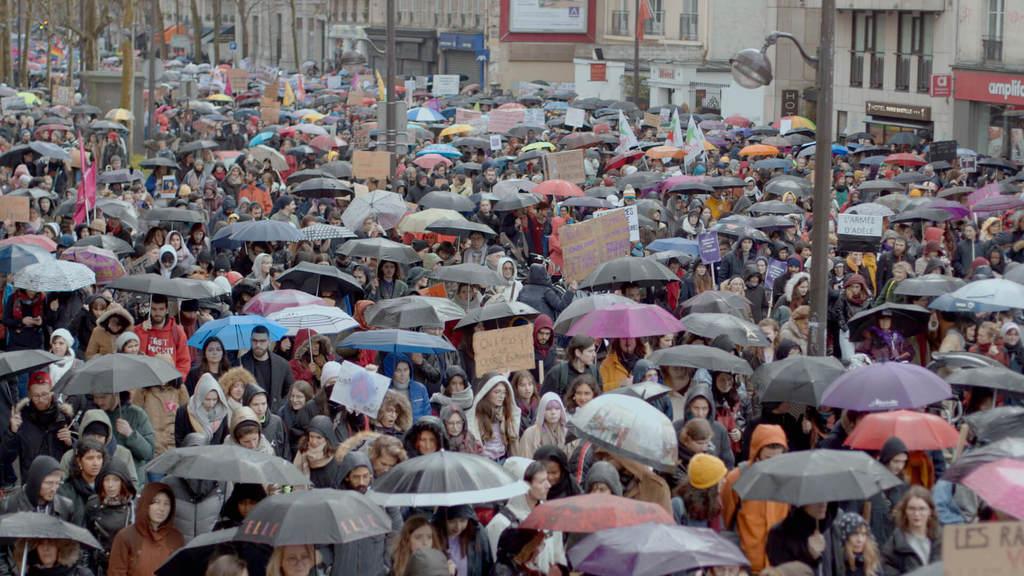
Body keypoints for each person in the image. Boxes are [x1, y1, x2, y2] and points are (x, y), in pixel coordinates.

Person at [722, 424, 790, 573]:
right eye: (768, 458)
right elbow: (725, 521)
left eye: (778, 459)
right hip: (746, 566)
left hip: (779, 566)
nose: (773, 464)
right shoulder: (736, 479)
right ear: (756, 454)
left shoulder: (789, 480)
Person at [1, 372, 75, 482]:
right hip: (32, 484)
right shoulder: (21, 419)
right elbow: (5, 457)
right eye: (36, 396)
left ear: (51, 392)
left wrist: (71, 442)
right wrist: (12, 433)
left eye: (44, 394)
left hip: (60, 483)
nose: (40, 400)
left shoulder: (64, 417)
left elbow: (81, 451)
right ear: (29, 395)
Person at [107, 483, 185, 576]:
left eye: (166, 504)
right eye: (156, 502)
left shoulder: (176, 537)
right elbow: (116, 573)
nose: (161, 508)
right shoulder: (126, 536)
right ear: (145, 503)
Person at [84, 460, 137, 576]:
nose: (110, 485)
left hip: (127, 566)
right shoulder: (93, 505)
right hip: (101, 566)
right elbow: (87, 540)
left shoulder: (133, 507)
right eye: (107, 480)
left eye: (115, 480)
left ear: (123, 482)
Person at [881, 487, 942, 575]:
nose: (916, 514)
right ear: (905, 511)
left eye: (922, 509)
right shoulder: (895, 543)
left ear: (930, 511)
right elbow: (886, 568)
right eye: (912, 509)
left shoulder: (941, 539)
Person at [766, 502, 837, 574]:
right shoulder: (779, 535)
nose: (823, 503)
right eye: (815, 499)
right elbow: (783, 572)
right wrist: (810, 557)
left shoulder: (827, 528)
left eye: (825, 497)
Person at [238, 326, 294, 412]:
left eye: (262, 341)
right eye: (255, 341)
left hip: (275, 415)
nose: (258, 345)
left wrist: (280, 407)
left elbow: (290, 390)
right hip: (250, 414)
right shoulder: (241, 363)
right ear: (250, 341)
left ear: (269, 341)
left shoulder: (282, 364)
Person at [466, 373, 521, 461]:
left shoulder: (506, 413)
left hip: (504, 460)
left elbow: (512, 440)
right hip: (485, 462)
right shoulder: (476, 416)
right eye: (497, 392)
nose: (501, 396)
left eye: (504, 393)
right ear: (486, 392)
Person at [134, 294, 191, 378]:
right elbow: (136, 358)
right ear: (149, 309)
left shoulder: (177, 331)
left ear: (167, 310)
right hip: (146, 382)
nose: (157, 313)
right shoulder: (139, 329)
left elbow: (184, 361)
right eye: (154, 309)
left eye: (161, 309)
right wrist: (142, 333)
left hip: (170, 383)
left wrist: (177, 381)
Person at [434, 505, 493, 576]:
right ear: (442, 520)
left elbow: (488, 566)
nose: (458, 527)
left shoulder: (477, 532)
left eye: (463, 520)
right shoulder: (432, 535)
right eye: (451, 521)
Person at [174, 374, 230, 447]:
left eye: (214, 399)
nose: (211, 404)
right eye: (207, 399)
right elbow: (179, 438)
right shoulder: (184, 411)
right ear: (200, 396)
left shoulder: (222, 411)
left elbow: (224, 438)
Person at [293, 415, 343, 489]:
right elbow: (292, 484)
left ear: (327, 438)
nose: (314, 441)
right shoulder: (302, 452)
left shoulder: (336, 459)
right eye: (311, 436)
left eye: (319, 437)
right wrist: (280, 490)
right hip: (303, 498)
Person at [380, 353, 431, 422]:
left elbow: (427, 416)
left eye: (406, 369)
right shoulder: (384, 391)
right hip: (394, 431)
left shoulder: (420, 388)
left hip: (418, 430)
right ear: (390, 371)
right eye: (398, 370)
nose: (403, 374)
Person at [516, 392, 568, 458]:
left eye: (557, 408)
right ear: (542, 411)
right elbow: (525, 460)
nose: (553, 412)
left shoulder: (571, 429)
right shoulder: (530, 433)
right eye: (548, 409)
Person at [6, 539, 94, 576]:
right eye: (41, 543)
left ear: (60, 548)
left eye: (51, 543)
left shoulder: (81, 574)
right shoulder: (28, 574)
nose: (46, 548)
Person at [835, 512, 882, 576]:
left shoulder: (872, 561)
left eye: (863, 534)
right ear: (845, 536)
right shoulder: (837, 564)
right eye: (855, 534)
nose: (860, 540)